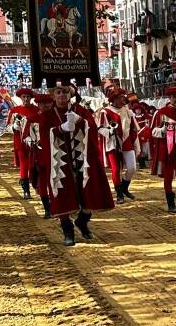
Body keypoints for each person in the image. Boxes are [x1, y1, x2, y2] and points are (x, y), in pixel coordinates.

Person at [30, 84, 115, 245]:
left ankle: (82, 221)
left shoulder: (80, 110)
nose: (62, 95)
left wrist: (81, 122)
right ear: (53, 95)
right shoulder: (47, 115)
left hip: (80, 159)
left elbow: (92, 127)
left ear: (71, 94)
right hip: (60, 161)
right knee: (63, 193)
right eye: (58, 92)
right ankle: (67, 231)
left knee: (87, 192)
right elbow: (44, 136)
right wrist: (59, 129)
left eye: (65, 92)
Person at [94, 86, 140, 204]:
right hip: (113, 143)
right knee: (115, 169)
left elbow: (133, 128)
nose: (123, 99)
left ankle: (124, 187)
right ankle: (119, 193)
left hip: (127, 142)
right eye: (120, 98)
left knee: (132, 168)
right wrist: (110, 131)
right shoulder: (106, 111)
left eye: (123, 97)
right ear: (113, 99)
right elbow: (100, 129)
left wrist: (135, 143)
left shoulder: (127, 111)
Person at [7, 87, 39, 198]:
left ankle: (38, 187)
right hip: (20, 143)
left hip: (35, 142)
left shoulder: (36, 110)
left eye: (28, 97)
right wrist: (14, 127)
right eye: (23, 97)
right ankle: (26, 191)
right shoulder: (14, 110)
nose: (26, 99)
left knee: (35, 165)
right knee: (24, 166)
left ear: (31, 98)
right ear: (20, 98)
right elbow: (8, 127)